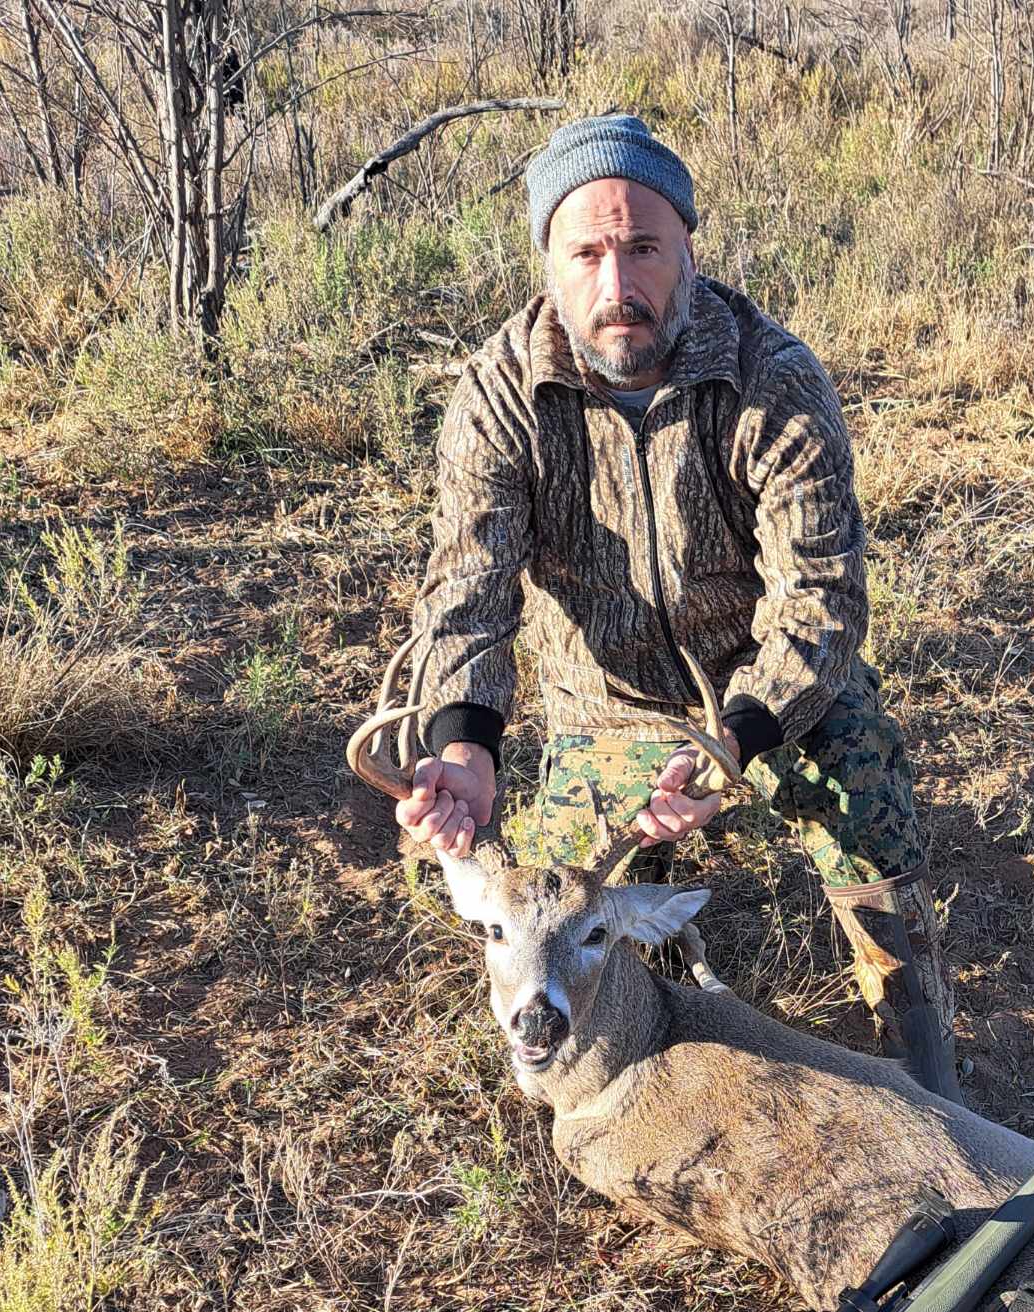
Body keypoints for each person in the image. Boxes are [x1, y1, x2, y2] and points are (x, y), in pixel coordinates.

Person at [382, 112, 957, 1098]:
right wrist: (465, 746)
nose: (618, 286)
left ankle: (927, 1065)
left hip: (768, 694)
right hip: (607, 704)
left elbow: (821, 596)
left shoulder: (772, 379)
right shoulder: (501, 396)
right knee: (560, 913)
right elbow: (466, 593)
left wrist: (736, 738)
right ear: (549, 265)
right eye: (588, 254)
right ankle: (640, 1077)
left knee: (867, 808)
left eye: (643, 247)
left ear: (687, 246)